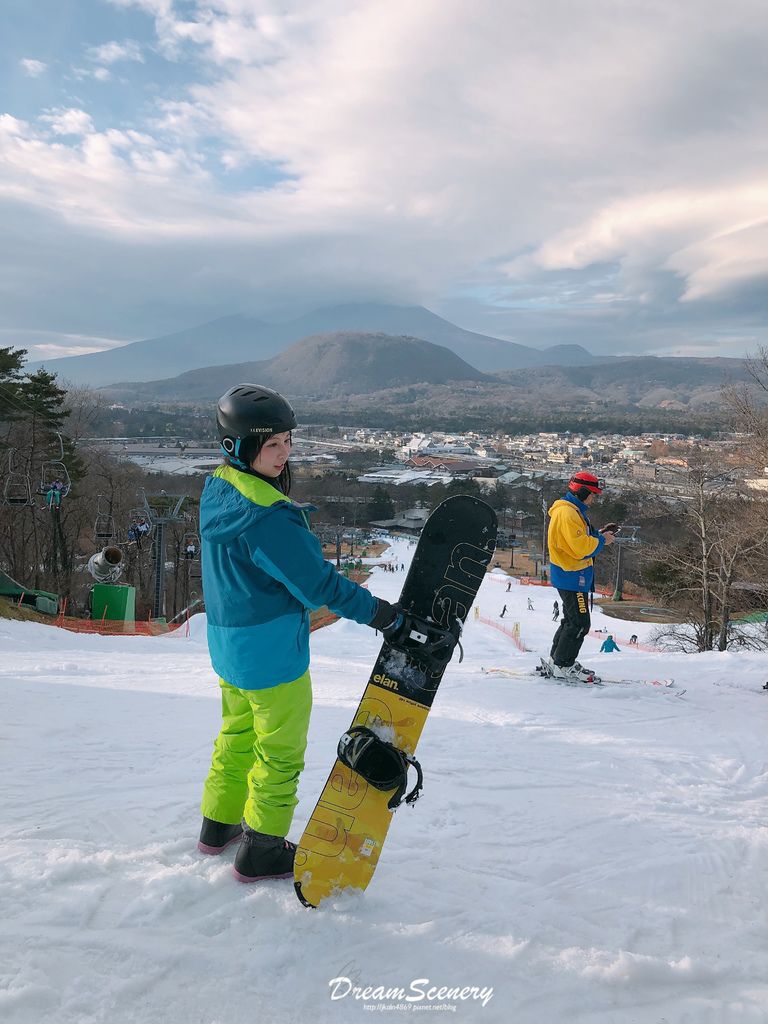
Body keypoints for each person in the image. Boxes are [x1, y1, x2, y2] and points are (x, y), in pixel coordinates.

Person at [197, 384, 410, 884]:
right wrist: (386, 617)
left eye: (289, 441)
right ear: (238, 448)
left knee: (236, 737)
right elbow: (319, 587)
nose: (285, 453)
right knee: (279, 754)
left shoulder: (221, 489)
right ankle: (262, 850)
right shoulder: (268, 517)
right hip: (273, 654)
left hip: (229, 646)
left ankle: (218, 826)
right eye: (273, 445)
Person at [546, 472, 615, 682]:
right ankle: (563, 665)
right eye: (593, 494)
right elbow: (580, 548)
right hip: (573, 575)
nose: (593, 498)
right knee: (580, 624)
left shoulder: (572, 510)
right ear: (583, 491)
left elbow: (580, 538)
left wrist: (599, 533)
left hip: (571, 574)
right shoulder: (567, 513)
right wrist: (602, 541)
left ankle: (556, 661)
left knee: (571, 620)